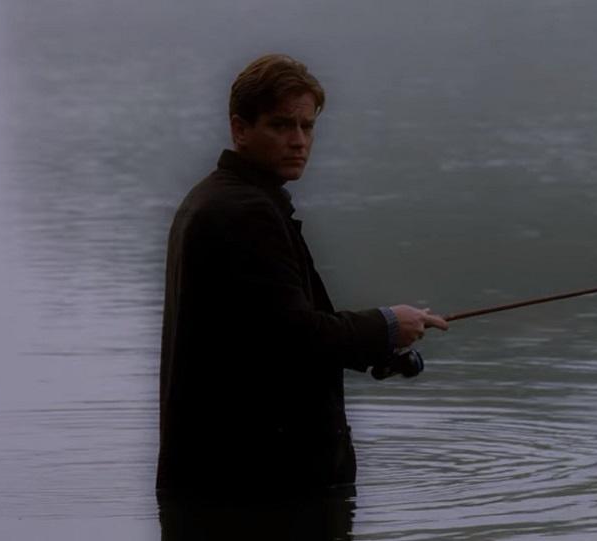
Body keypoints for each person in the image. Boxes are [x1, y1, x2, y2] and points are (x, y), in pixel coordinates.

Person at [156, 54, 448, 501]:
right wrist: (387, 325)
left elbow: (261, 333)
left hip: (224, 480)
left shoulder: (214, 199)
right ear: (239, 129)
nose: (298, 141)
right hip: (261, 487)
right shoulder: (244, 213)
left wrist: (379, 341)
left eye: (307, 127)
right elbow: (296, 336)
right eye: (280, 125)